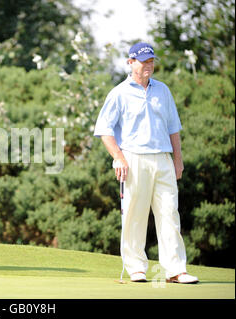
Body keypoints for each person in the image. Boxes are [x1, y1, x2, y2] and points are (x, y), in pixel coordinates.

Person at [93, 42, 199, 284]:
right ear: (131, 63)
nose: (149, 65)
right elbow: (104, 130)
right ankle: (136, 268)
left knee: (169, 213)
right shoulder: (118, 93)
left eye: (151, 61)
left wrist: (178, 161)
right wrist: (118, 158)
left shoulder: (163, 90)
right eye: (144, 61)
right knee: (134, 215)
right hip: (134, 159)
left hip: (163, 158)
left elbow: (174, 129)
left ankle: (175, 270)